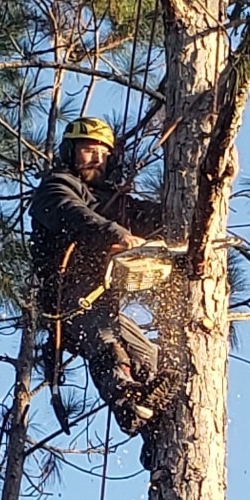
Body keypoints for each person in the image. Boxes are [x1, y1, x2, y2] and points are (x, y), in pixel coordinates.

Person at [29, 117, 172, 439]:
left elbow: (153, 218)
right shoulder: (57, 186)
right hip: (67, 302)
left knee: (148, 356)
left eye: (102, 153)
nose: (96, 158)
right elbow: (67, 211)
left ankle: (153, 432)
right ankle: (127, 399)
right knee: (105, 339)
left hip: (102, 303)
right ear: (71, 152)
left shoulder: (114, 202)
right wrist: (116, 234)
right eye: (88, 150)